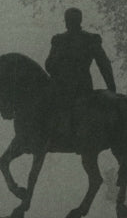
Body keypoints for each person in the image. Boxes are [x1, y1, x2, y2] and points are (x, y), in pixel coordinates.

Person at [44, 8, 116, 140]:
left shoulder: (59, 40)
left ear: (66, 21)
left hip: (66, 89)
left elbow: (49, 66)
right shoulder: (90, 39)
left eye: (69, 20)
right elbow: (104, 65)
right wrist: (112, 88)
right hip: (83, 86)